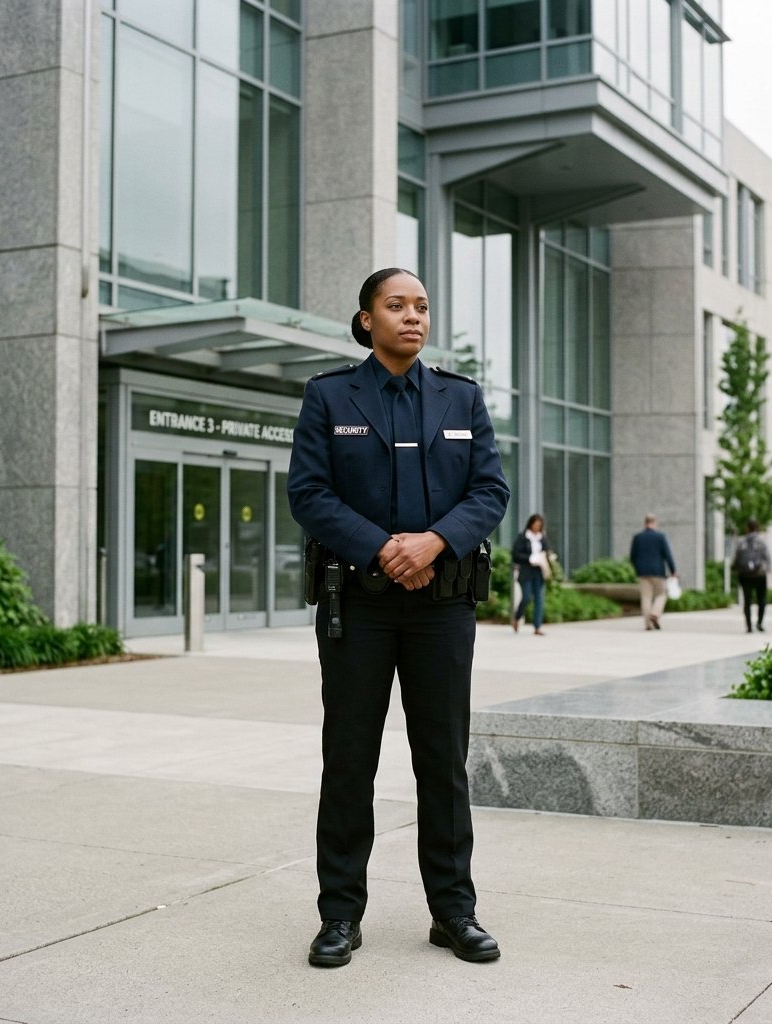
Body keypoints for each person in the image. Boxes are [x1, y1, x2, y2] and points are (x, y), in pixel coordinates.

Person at [287, 268, 509, 969]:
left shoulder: (461, 397)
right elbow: (309, 492)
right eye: (396, 305)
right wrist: (383, 549)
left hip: (442, 610)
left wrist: (434, 542)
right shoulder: (330, 397)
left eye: (421, 306)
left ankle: (454, 913)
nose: (412, 316)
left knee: (442, 764)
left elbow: (490, 489)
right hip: (358, 607)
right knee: (349, 762)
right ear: (366, 320)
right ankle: (339, 917)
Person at [629, 514, 677, 630]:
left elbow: (632, 556)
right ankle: (655, 613)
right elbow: (667, 555)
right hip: (658, 572)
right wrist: (673, 570)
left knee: (646, 597)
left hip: (642, 572)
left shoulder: (637, 537)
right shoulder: (660, 537)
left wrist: (637, 568)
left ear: (645, 523)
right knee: (662, 594)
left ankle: (648, 624)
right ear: (655, 523)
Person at [511, 513, 552, 636]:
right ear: (531, 524)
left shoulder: (542, 538)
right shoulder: (522, 537)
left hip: (538, 572)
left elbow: (547, 551)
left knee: (539, 599)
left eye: (539, 525)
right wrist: (530, 558)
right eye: (535, 524)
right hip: (526, 571)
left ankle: (537, 627)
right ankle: (517, 617)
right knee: (527, 597)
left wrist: (545, 558)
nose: (537, 527)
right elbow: (515, 555)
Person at [732, 518, 772, 633]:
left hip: (745, 576)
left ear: (747, 528)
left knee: (747, 601)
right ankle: (759, 623)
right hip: (759, 575)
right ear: (757, 528)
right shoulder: (761, 542)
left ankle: (749, 626)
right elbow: (767, 559)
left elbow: (736, 559)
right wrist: (768, 570)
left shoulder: (741, 542)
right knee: (761, 600)